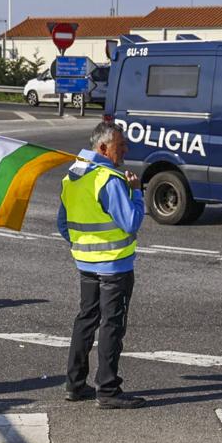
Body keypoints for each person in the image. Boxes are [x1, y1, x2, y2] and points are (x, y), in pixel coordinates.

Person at [58, 121, 146, 409]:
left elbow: (63, 223)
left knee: (86, 319)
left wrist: (82, 245)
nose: (126, 150)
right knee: (112, 325)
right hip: (114, 265)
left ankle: (75, 383)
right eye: (121, 146)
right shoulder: (109, 179)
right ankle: (107, 389)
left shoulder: (73, 175)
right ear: (104, 147)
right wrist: (136, 191)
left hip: (85, 262)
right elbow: (131, 223)